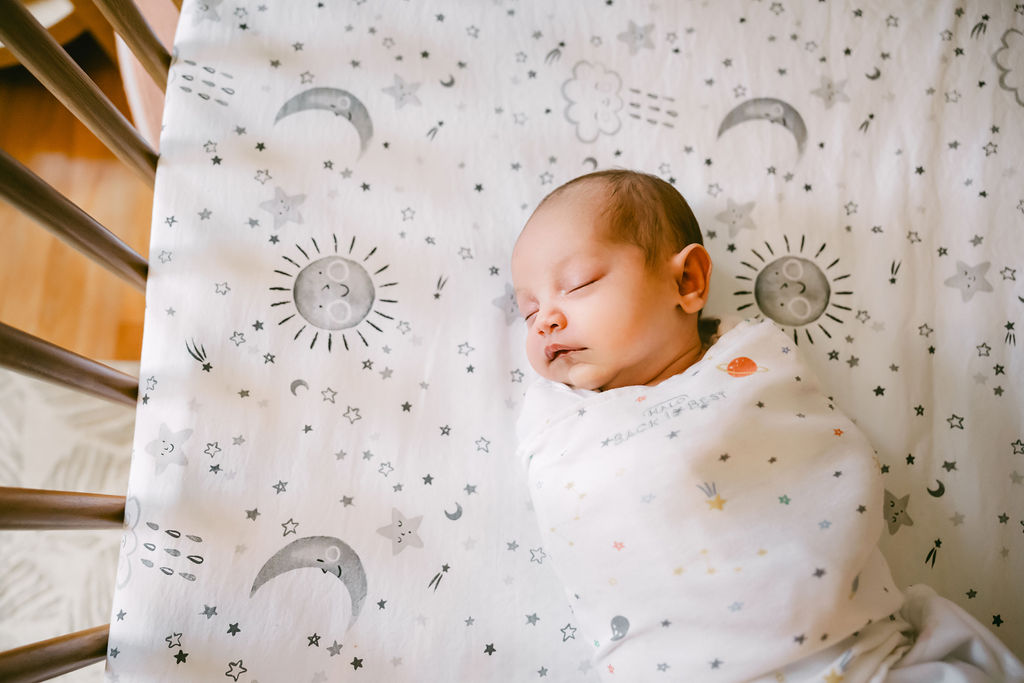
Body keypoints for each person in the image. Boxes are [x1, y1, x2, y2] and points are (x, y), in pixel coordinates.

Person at [511, 170, 1023, 682]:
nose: (544, 321)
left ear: (686, 281)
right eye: (528, 309)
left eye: (578, 284)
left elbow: (816, 456)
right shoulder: (561, 421)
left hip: (855, 658)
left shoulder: (751, 363)